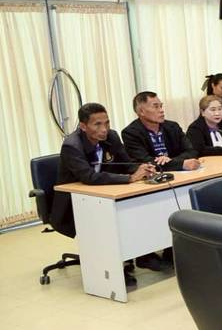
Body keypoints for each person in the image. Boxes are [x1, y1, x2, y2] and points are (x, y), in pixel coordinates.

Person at [54, 103, 155, 286]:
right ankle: (113, 271)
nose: (104, 129)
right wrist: (130, 178)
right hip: (73, 203)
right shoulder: (71, 146)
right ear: (83, 126)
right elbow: (89, 177)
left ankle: (144, 255)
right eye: (97, 124)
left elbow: (126, 163)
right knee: (110, 221)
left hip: (103, 194)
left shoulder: (112, 136)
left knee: (136, 207)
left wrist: (141, 169)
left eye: (107, 123)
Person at [121, 91, 200, 175]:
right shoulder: (130, 133)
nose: (161, 110)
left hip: (181, 175)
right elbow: (145, 163)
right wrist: (181, 164)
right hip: (153, 178)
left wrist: (171, 160)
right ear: (141, 112)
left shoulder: (173, 127)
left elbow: (192, 151)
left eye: (161, 106)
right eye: (156, 107)